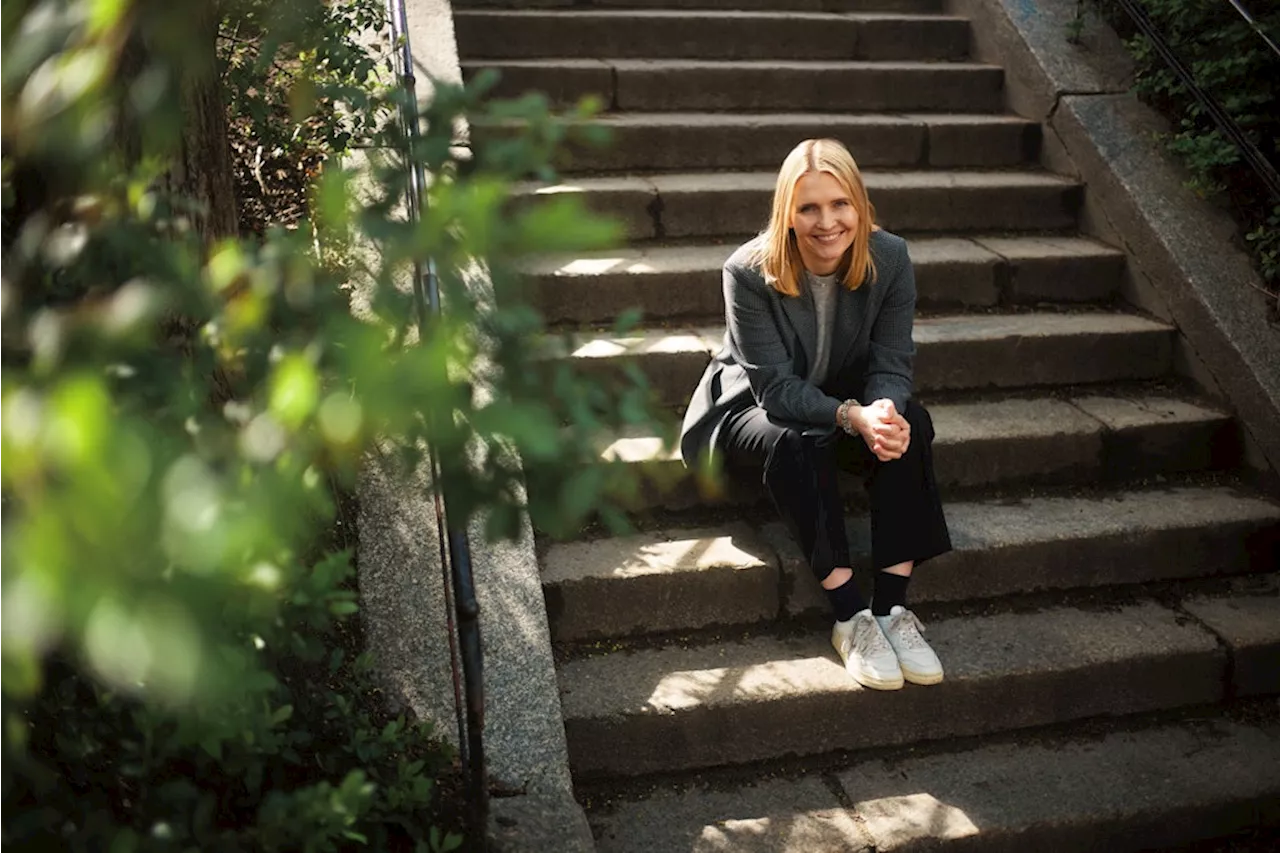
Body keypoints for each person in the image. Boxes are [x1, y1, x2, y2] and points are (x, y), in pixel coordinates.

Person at [679, 138, 952, 691]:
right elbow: (776, 390)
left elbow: (893, 361)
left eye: (839, 204)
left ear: (859, 204)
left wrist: (883, 412)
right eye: (808, 208)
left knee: (912, 422)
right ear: (787, 212)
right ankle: (851, 617)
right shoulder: (748, 271)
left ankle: (892, 611)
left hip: (837, 401)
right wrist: (852, 416)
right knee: (797, 440)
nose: (827, 222)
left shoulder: (890, 257)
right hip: (750, 412)